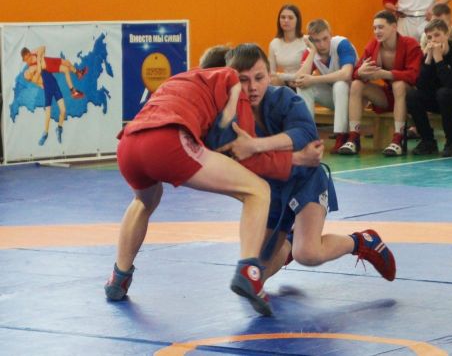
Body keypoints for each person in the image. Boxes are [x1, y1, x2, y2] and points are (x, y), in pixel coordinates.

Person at [105, 59, 324, 316]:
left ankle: (119, 278)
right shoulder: (229, 80)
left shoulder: (179, 80)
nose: (249, 87)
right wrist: (296, 159)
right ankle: (249, 271)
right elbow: (243, 154)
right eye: (245, 80)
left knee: (144, 201)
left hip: (129, 144)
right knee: (257, 190)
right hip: (167, 141)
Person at [218, 43, 396, 287]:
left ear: (269, 75)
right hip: (270, 189)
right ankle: (290, 242)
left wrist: (255, 146)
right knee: (257, 270)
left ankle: (362, 241)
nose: (252, 87)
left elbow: (306, 134)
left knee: (308, 253)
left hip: (305, 181)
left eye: (259, 78)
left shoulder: (283, 98)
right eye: (243, 80)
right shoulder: (230, 114)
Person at [339, 10, 423, 156]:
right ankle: (353, 137)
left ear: (394, 27)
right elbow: (355, 73)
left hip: (412, 98)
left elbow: (415, 76)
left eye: (381, 27)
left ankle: (398, 139)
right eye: (375, 28)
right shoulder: (373, 45)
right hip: (389, 96)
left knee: (398, 84)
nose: (377, 31)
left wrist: (386, 74)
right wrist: (360, 72)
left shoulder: (410, 44)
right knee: (357, 84)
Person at [406, 19, 452, 157]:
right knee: (412, 96)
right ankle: (427, 141)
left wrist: (439, 59)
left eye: (437, 35)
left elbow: (450, 83)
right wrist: (428, 59)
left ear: (447, 34)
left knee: (444, 93)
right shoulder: (429, 55)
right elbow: (421, 85)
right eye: (429, 37)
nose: (433, 40)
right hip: (439, 100)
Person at [295, 19, 357, 153]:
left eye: (325, 38)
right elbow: (299, 80)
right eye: (317, 41)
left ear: (331, 34)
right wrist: (312, 51)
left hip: (355, 99)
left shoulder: (342, 44)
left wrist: (314, 79)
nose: (322, 44)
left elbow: (346, 74)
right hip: (334, 98)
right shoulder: (310, 51)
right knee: (303, 86)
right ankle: (309, 135)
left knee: (340, 84)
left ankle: (341, 135)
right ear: (311, 40)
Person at [21, 46, 86, 145]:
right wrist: (38, 63)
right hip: (48, 89)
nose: (27, 71)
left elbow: (42, 48)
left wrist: (39, 58)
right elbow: (38, 74)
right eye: (27, 74)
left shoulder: (33, 62)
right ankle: (45, 133)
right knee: (48, 113)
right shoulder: (33, 74)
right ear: (29, 78)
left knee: (63, 110)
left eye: (26, 72)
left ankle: (59, 128)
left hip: (54, 84)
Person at [268, 4, 306, 88]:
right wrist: (283, 79)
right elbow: (271, 72)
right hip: (284, 84)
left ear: (297, 21)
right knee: (272, 82)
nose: (286, 20)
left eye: (290, 18)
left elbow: (307, 72)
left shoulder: (306, 41)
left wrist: (282, 76)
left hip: (302, 83)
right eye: (283, 17)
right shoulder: (274, 43)